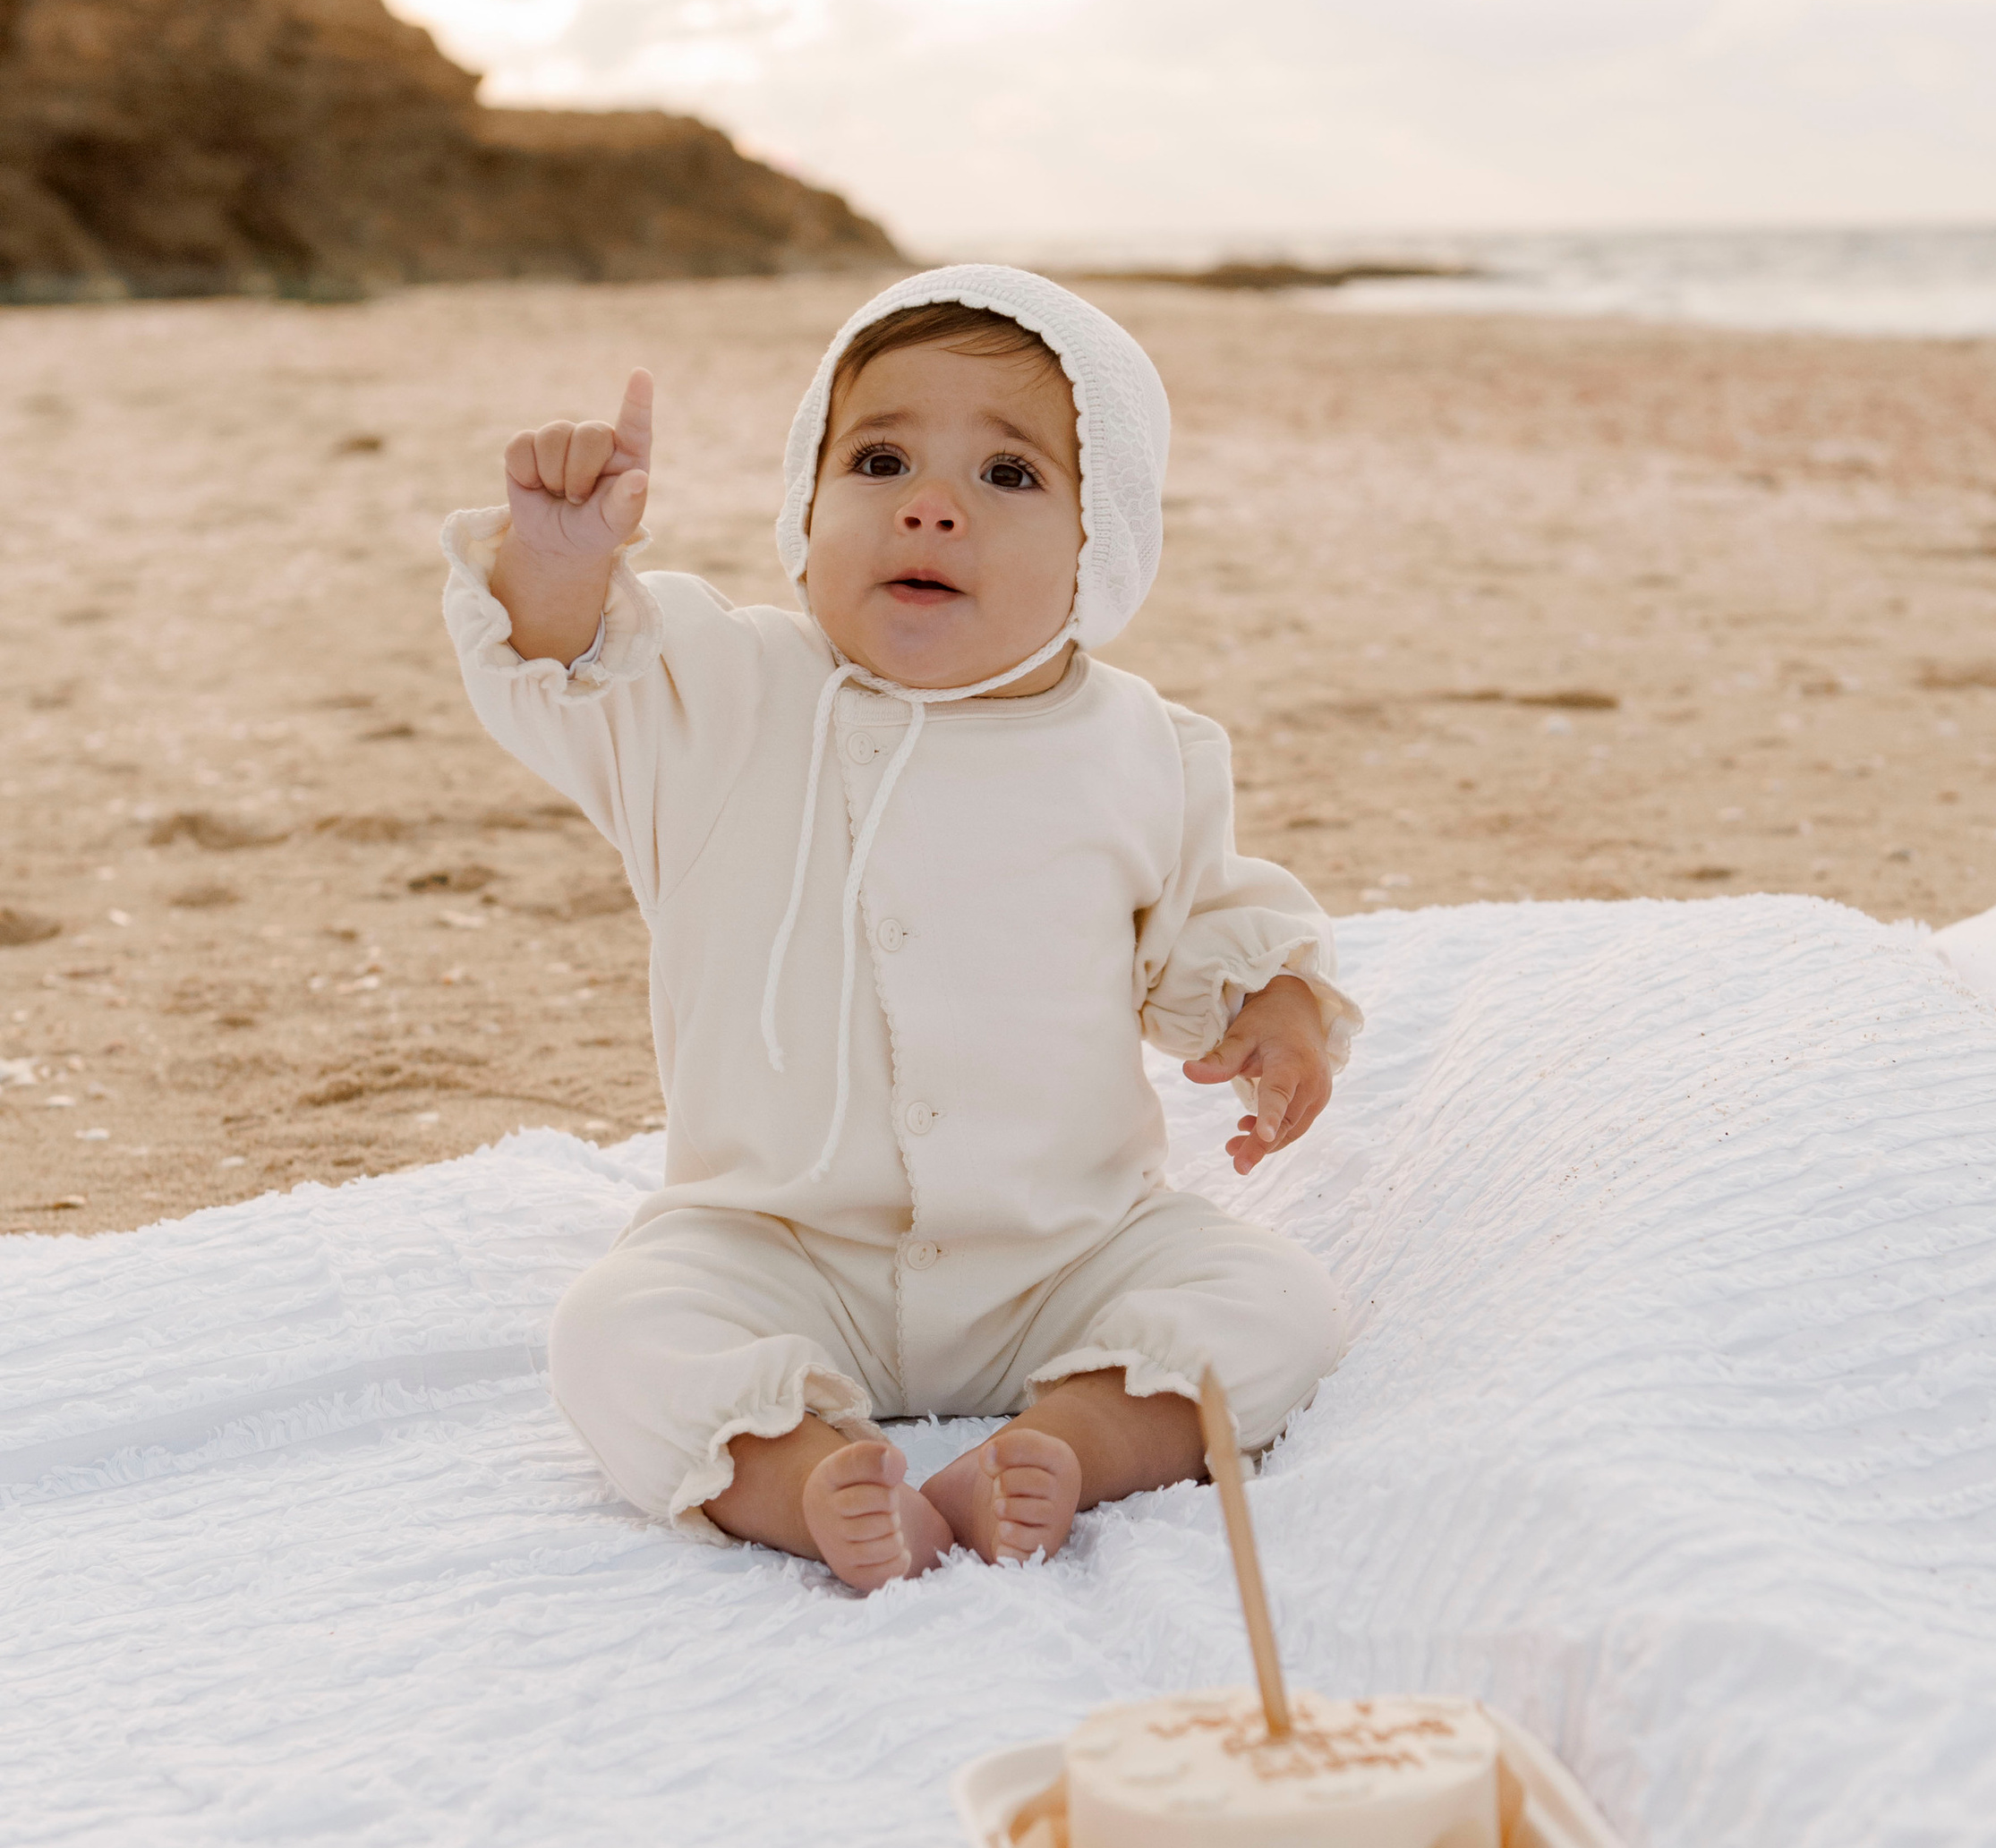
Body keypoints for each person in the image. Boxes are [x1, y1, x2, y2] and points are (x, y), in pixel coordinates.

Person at [440, 265, 1356, 1592]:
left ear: (1104, 547)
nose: (931, 505)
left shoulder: (1143, 748)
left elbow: (1212, 921)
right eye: (878, 462)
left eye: (1009, 475)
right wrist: (560, 560)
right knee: (612, 1332)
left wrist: (1271, 1011)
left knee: (1281, 1308)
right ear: (805, 511)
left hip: (1069, 1250)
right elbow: (567, 671)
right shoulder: (722, 694)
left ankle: (1073, 1440)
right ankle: (798, 1474)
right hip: (773, 1244)